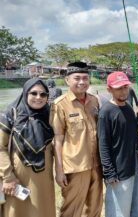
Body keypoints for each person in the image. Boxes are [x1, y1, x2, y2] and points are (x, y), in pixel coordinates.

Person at [50, 61, 103, 217]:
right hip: (74, 167)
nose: (82, 82)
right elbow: (57, 139)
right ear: (67, 80)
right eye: (77, 78)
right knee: (71, 210)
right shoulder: (59, 104)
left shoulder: (94, 100)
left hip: (96, 164)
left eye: (85, 78)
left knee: (95, 208)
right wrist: (59, 171)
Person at [0, 78, 55, 217]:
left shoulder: (49, 114)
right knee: (17, 211)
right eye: (34, 93)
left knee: (43, 209)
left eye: (43, 94)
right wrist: (8, 177)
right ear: (25, 93)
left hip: (44, 176)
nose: (38, 97)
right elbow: (0, 147)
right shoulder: (11, 114)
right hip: (17, 176)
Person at [97, 72, 138, 217]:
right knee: (119, 212)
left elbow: (130, 128)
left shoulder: (128, 107)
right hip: (119, 172)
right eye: (118, 88)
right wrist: (109, 173)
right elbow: (103, 145)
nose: (123, 91)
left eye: (125, 87)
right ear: (109, 89)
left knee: (137, 208)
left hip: (135, 166)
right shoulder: (106, 112)